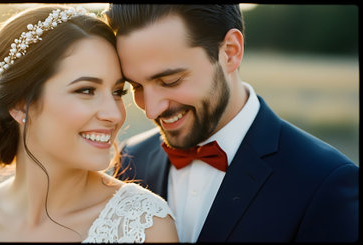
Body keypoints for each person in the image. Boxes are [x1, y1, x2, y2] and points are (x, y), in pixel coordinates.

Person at [104, 4, 359, 243]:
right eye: (136, 86)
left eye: (170, 81)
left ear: (230, 52)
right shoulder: (127, 161)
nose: (151, 109)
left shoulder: (325, 184)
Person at [0, 5, 178, 243]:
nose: (115, 114)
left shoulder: (145, 225)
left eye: (117, 91)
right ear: (20, 104)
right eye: (86, 90)